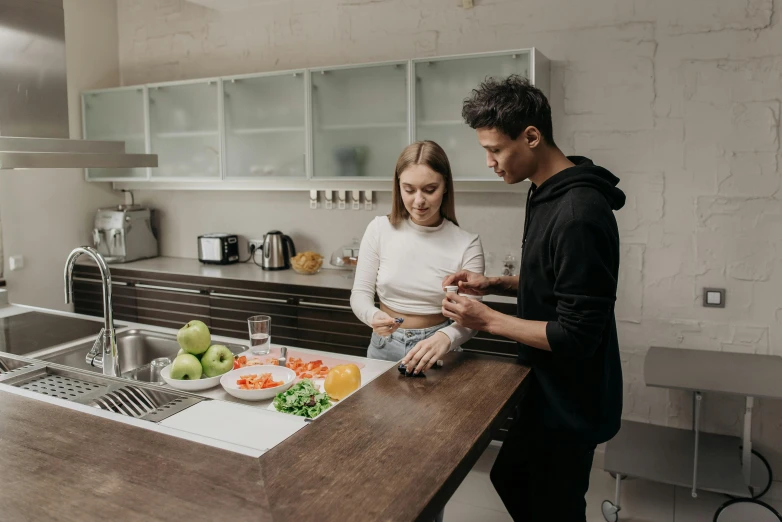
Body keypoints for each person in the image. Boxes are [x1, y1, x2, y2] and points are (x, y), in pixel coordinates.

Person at [432, 75, 625, 521]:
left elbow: (578, 334)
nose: (489, 162)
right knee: (514, 478)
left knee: (550, 504)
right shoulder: (544, 191)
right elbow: (559, 280)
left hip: (572, 397)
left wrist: (485, 320)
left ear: (532, 136)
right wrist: (495, 285)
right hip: (544, 383)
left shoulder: (578, 213)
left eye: (495, 149)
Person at [350, 140, 485, 375]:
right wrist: (373, 316)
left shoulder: (467, 243)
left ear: (445, 187)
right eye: (409, 190)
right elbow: (359, 295)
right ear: (398, 186)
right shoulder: (379, 229)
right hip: (383, 348)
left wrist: (446, 337)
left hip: (439, 350)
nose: (419, 201)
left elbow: (473, 314)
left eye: (430, 189)